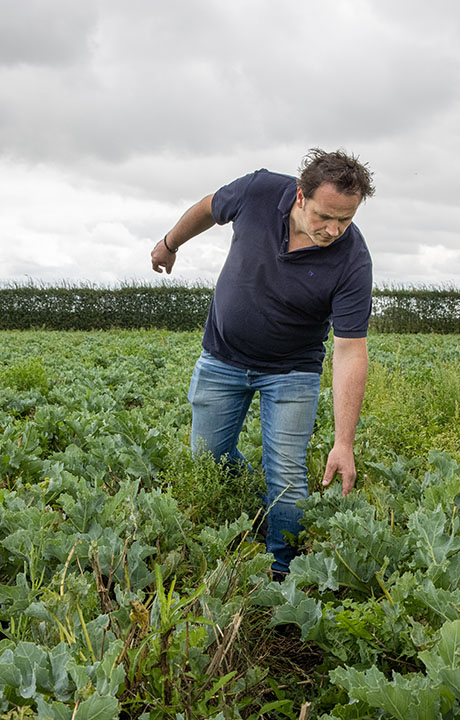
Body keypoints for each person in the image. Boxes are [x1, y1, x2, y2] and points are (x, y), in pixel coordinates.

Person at [150, 148, 373, 577]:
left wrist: (343, 442)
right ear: (301, 196)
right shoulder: (258, 191)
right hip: (222, 359)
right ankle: (249, 497)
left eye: (345, 220)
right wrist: (169, 243)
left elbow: (350, 349)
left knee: (287, 476)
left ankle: (282, 570)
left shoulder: (352, 259)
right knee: (207, 459)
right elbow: (208, 208)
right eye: (326, 216)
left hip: (293, 372)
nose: (334, 230)